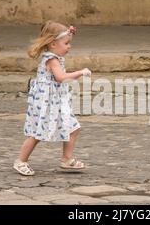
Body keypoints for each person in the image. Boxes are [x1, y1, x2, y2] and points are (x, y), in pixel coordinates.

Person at [13, 20, 92, 176]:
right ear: (54, 44)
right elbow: (61, 77)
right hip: (46, 103)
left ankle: (67, 159)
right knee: (37, 133)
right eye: (67, 43)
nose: (69, 46)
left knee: (73, 128)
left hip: (57, 101)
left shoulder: (56, 58)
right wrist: (80, 72)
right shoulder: (51, 59)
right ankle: (21, 161)